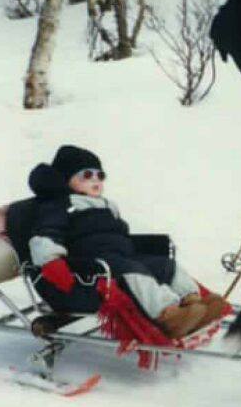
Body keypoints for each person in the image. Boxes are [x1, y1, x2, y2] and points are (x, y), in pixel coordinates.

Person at [27, 145, 227, 339]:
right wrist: (51, 261)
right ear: (66, 179)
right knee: (133, 273)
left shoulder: (105, 205)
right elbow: (45, 235)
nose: (95, 180)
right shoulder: (59, 205)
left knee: (166, 266)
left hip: (117, 259)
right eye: (86, 175)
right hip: (88, 270)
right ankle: (169, 316)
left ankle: (193, 304)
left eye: (100, 175)